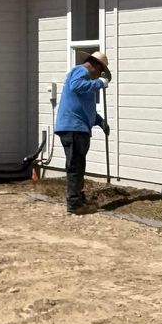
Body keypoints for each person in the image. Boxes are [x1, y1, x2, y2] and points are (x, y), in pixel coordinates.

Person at [53, 50, 111, 213]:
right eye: (100, 71)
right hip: (73, 127)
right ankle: (74, 203)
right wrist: (100, 83)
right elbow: (76, 86)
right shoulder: (80, 71)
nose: (99, 75)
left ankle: (79, 198)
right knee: (75, 165)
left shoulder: (85, 77)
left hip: (78, 127)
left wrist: (100, 121)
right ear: (96, 65)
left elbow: (85, 107)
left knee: (78, 164)